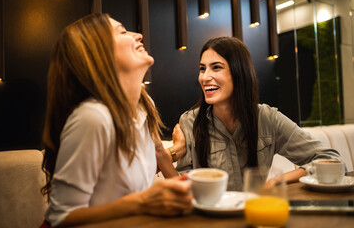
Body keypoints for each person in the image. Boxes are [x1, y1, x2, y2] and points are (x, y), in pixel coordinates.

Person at [41, 13, 191, 227]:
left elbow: (157, 153)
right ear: (99, 54)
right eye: (122, 31)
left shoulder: (144, 104)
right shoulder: (93, 117)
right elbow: (61, 218)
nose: (139, 35)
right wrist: (142, 202)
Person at [173, 36, 342, 191]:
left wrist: (278, 180)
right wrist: (166, 155)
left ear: (240, 73)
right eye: (202, 69)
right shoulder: (189, 122)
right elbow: (183, 186)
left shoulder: (267, 118)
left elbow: (333, 161)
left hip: (256, 214)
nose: (205, 77)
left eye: (216, 67)